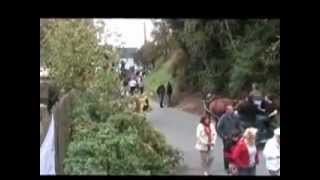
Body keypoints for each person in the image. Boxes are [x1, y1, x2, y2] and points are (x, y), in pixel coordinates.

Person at [217, 105, 244, 174]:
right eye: (230, 110)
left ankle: (235, 166)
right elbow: (218, 128)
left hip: (235, 137)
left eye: (232, 110)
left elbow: (239, 126)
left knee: (235, 151)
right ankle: (226, 167)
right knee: (226, 153)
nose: (232, 111)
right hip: (227, 139)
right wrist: (223, 136)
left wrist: (240, 134)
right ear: (226, 110)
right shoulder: (223, 118)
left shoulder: (236, 116)